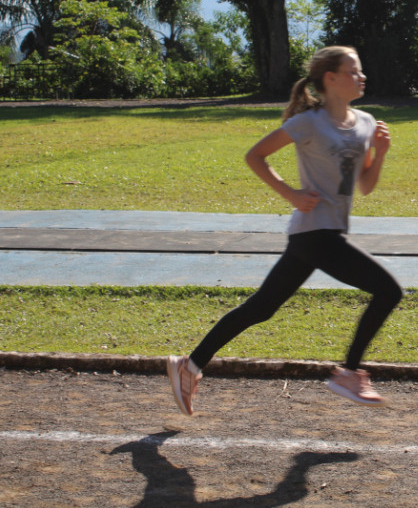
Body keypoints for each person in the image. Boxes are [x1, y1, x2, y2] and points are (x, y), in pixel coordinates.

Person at [167, 46, 403, 415]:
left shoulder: (366, 123)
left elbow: (365, 186)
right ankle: (350, 372)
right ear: (331, 79)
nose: (362, 77)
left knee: (261, 307)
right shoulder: (309, 122)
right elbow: (255, 156)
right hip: (316, 233)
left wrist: (381, 153)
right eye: (354, 71)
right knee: (389, 291)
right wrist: (290, 194)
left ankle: (190, 365)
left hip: (321, 234)